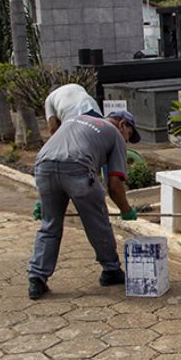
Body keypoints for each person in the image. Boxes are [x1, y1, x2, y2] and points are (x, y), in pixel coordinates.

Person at [27, 110, 141, 300]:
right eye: (129, 135)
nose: (127, 141)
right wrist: (126, 210)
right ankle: (111, 270)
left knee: (49, 225)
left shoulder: (75, 119)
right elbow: (114, 185)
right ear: (122, 125)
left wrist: (43, 201)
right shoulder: (115, 135)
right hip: (77, 169)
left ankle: (36, 279)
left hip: (43, 167)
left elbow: (56, 158)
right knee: (97, 222)